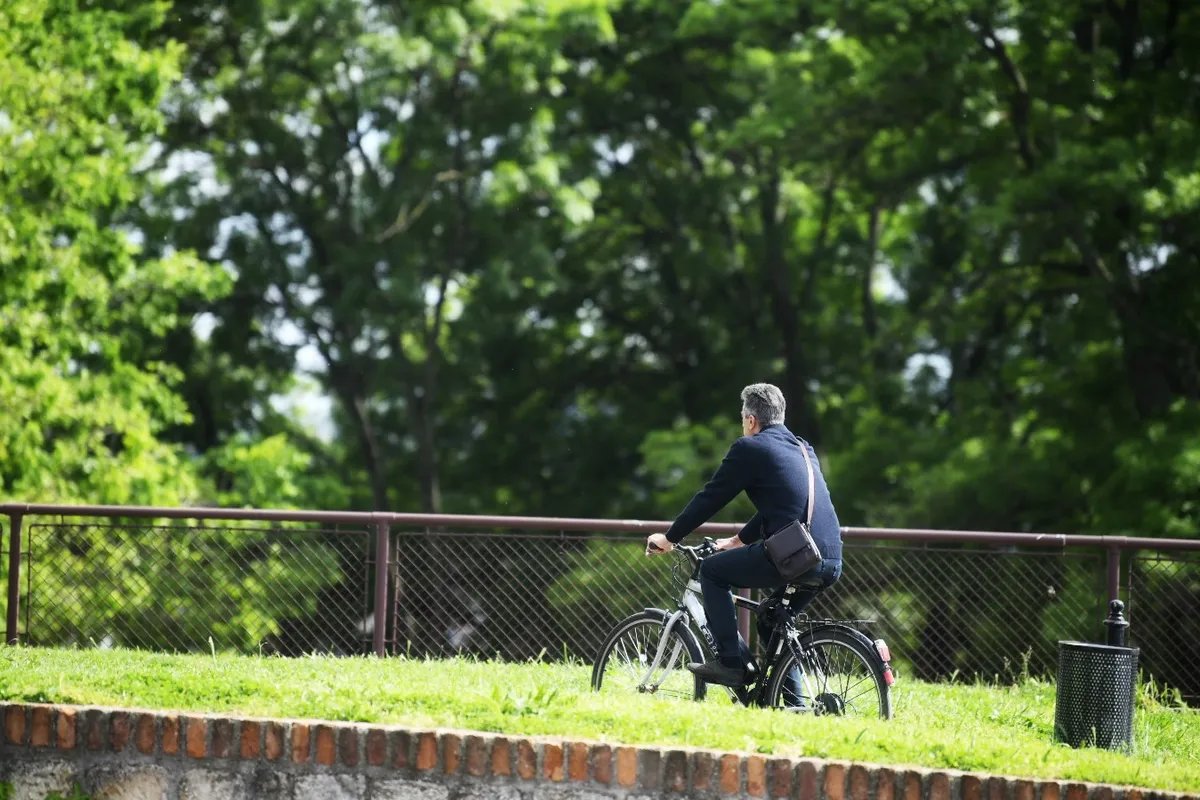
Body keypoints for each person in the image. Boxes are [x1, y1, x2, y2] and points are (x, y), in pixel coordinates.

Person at [645, 382, 842, 687]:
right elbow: (782, 506)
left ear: (750, 420)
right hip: (830, 558)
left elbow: (711, 497)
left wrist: (670, 538)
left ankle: (732, 664)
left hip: (796, 555)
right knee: (772, 619)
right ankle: (793, 705)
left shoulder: (750, 447)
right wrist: (738, 541)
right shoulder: (804, 449)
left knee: (712, 572)